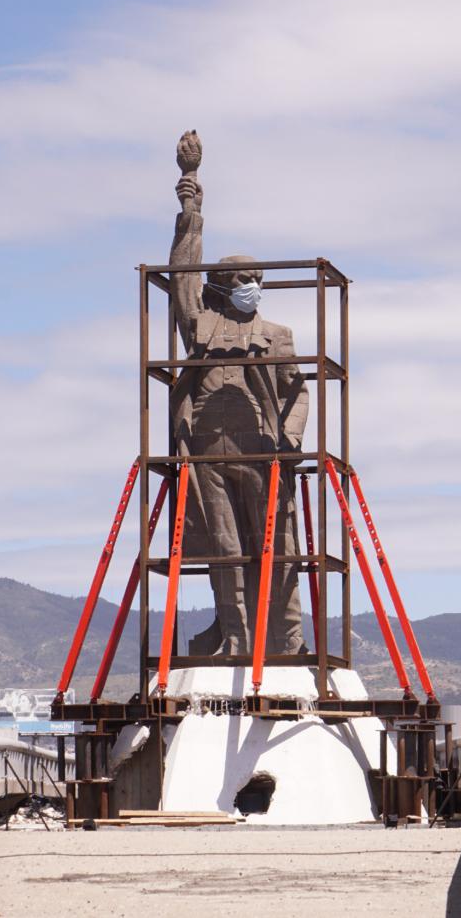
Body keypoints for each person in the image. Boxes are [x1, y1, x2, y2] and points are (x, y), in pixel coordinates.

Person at [167, 130, 309, 657]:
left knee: (278, 544)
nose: (254, 284)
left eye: (259, 277)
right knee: (224, 548)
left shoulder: (277, 335)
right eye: (245, 277)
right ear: (224, 286)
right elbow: (182, 276)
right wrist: (190, 207)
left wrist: (291, 438)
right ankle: (234, 633)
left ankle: (285, 636)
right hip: (207, 449)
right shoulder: (201, 326)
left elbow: (299, 392)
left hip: (262, 449)